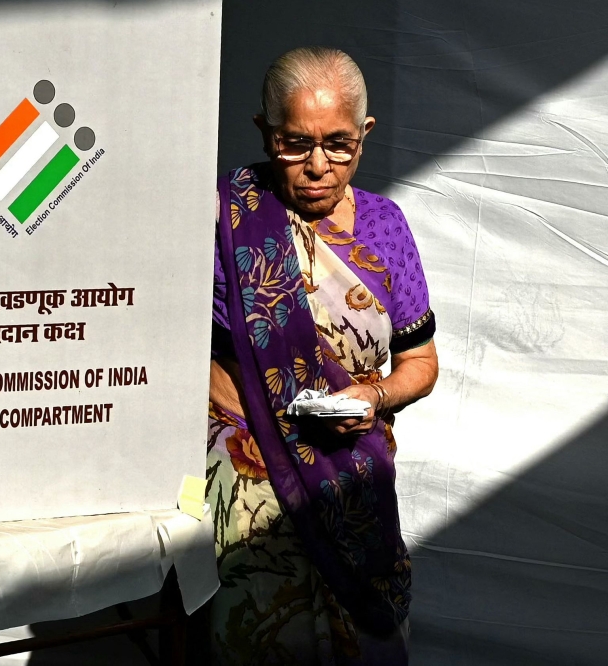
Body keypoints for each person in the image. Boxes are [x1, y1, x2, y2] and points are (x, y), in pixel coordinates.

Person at [207, 46, 438, 665]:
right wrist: (244, 410)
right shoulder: (226, 217)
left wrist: (377, 396)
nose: (317, 166)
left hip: (353, 472)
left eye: (339, 145)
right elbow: (167, 345)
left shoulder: (386, 227)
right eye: (293, 144)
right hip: (248, 465)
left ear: (364, 135)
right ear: (263, 133)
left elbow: (420, 362)